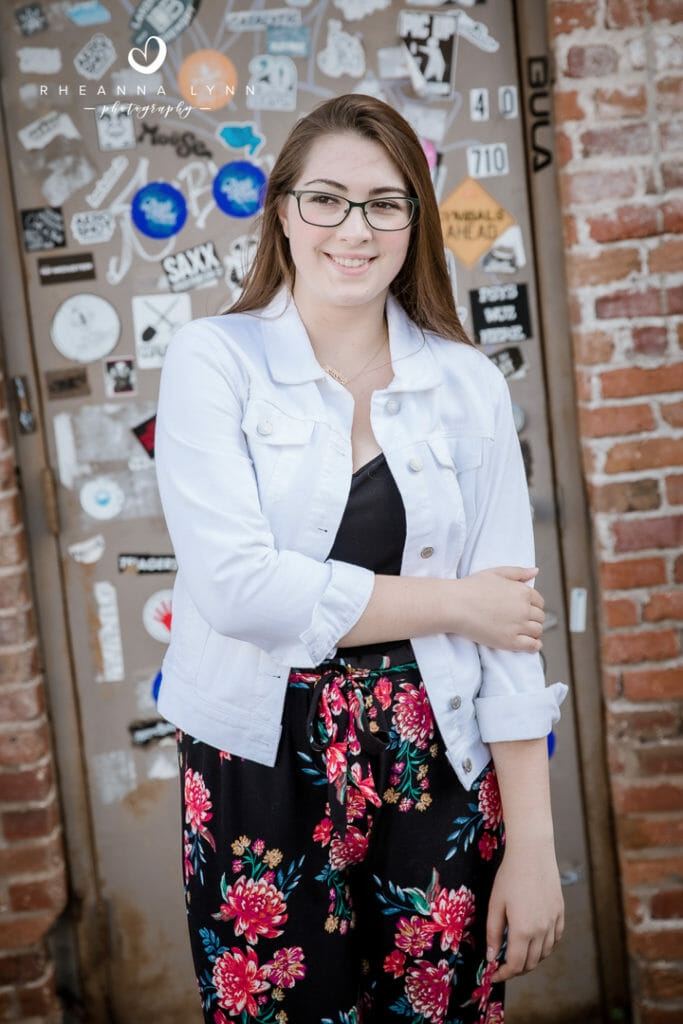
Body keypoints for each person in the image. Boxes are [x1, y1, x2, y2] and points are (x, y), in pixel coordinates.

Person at [155, 93, 568, 1024]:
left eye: (384, 203)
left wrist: (535, 847)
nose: (355, 228)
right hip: (257, 762)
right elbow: (239, 590)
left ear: (414, 221)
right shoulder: (214, 360)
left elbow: (509, 631)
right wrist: (452, 603)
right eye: (327, 200)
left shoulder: (466, 384)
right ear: (283, 212)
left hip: (435, 758)